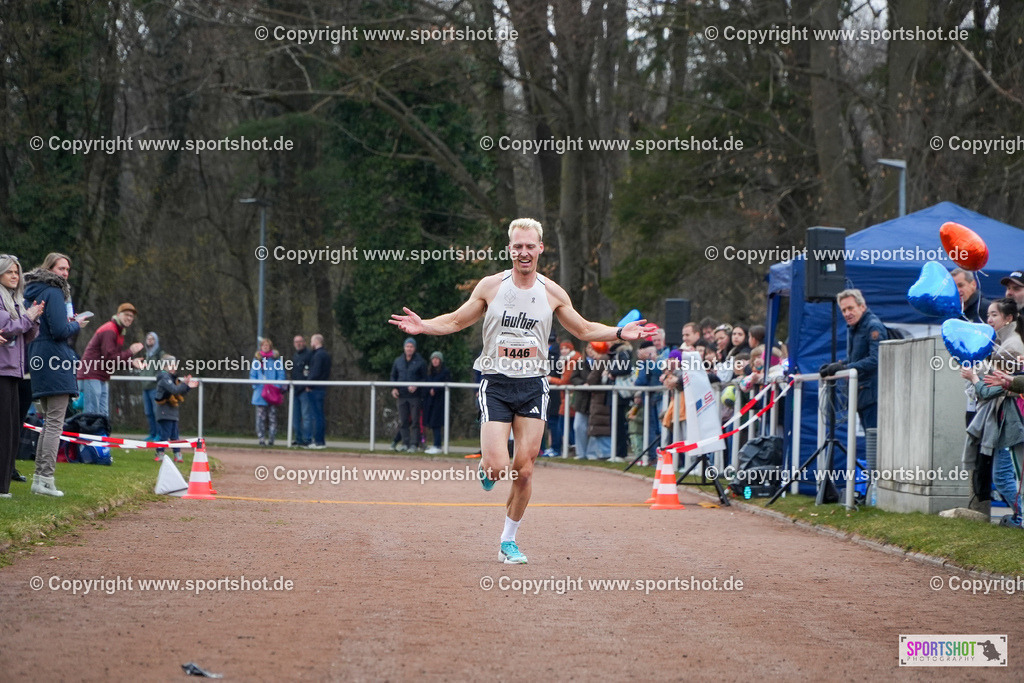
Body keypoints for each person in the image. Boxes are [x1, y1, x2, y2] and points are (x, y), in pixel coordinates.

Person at [389, 218, 655, 564]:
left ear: (540, 248)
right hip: (496, 384)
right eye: (518, 246)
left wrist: (620, 333)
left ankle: (508, 541)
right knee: (499, 467)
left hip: (533, 386)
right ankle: (488, 467)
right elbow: (455, 320)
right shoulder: (491, 287)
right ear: (509, 249)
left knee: (525, 469)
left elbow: (585, 329)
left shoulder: (553, 293)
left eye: (530, 246)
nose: (524, 252)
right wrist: (424, 326)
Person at [23, 252, 90, 497]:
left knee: (47, 423)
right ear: (49, 268)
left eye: (67, 269)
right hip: (54, 358)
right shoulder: (53, 292)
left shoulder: (33, 290)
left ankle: (39, 479)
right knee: (54, 423)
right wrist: (76, 325)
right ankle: (46, 480)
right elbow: (61, 330)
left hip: (38, 356)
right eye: (61, 268)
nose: (65, 273)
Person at [0, 255, 44, 498]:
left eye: (17, 272)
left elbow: (24, 334)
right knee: (4, 429)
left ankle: (4, 482)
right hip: (2, 370)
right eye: (9, 272)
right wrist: (27, 318)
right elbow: (7, 329)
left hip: (15, 370)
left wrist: (33, 319)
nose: (15, 276)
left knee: (12, 430)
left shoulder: (16, 300)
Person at [819, 289, 886, 430]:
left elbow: (876, 359)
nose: (847, 313)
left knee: (874, 440)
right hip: (862, 394)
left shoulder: (872, 326)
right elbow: (856, 357)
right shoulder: (855, 327)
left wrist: (846, 368)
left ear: (862, 306)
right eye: (843, 310)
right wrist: (837, 365)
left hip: (874, 396)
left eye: (850, 308)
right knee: (871, 440)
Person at [76, 303, 144, 417]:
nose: (129, 318)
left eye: (131, 316)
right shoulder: (110, 329)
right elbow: (110, 358)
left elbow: (112, 359)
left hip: (101, 376)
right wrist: (130, 352)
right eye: (126, 314)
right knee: (92, 414)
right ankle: (86, 434)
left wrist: (131, 363)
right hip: (91, 375)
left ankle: (102, 434)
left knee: (103, 414)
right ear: (118, 314)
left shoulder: (119, 331)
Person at [152, 356, 198, 463]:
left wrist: (187, 387)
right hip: (164, 411)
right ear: (165, 366)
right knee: (164, 434)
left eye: (175, 366)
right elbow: (174, 390)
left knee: (175, 434)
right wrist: (184, 384)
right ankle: (160, 453)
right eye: (171, 365)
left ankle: (177, 454)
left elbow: (179, 391)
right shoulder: (164, 378)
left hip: (172, 411)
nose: (174, 368)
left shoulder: (172, 378)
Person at [390, 337, 427, 452]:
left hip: (415, 397)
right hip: (401, 395)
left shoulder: (420, 362)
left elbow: (425, 379)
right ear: (404, 348)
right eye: (407, 346)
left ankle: (414, 444)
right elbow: (393, 376)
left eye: (411, 346)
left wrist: (416, 385)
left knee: (415, 421)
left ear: (414, 348)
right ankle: (405, 443)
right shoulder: (398, 361)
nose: (409, 348)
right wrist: (394, 388)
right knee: (403, 421)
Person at [249, 338, 285, 447]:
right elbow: (252, 376)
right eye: (263, 345)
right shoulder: (256, 360)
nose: (265, 347)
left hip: (272, 393)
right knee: (261, 418)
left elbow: (281, 375)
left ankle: (272, 439)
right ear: (261, 347)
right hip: (260, 393)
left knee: (272, 417)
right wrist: (256, 386)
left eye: (267, 345)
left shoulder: (276, 360)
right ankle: (261, 438)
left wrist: (276, 386)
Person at [305, 333, 332, 449]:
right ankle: (319, 440)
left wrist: (308, 384)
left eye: (312, 341)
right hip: (321, 388)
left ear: (316, 342)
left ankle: (319, 441)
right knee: (318, 415)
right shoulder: (324, 354)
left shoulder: (319, 356)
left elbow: (316, 372)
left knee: (317, 416)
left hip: (316, 389)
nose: (310, 344)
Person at [422, 351, 451, 454]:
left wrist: (435, 389)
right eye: (433, 358)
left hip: (440, 403)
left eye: (437, 359)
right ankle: (433, 444)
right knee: (431, 424)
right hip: (430, 402)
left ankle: (438, 445)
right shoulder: (429, 372)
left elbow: (446, 384)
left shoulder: (445, 372)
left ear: (440, 360)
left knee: (436, 424)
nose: (435, 360)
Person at [139, 332, 164, 441]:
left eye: (152, 339)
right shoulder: (145, 355)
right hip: (145, 387)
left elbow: (164, 366)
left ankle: (160, 434)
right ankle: (152, 433)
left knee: (156, 412)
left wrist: (157, 377)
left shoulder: (160, 354)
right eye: (148, 338)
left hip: (155, 387)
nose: (150, 340)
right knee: (148, 412)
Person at [290, 335, 313, 447]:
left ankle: (307, 439)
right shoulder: (295, 356)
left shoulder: (309, 355)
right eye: (296, 342)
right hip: (295, 389)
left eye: (300, 342)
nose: (298, 344)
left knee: (306, 415)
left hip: (304, 389)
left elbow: (311, 371)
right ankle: (298, 438)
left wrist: (308, 384)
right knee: (295, 416)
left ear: (304, 342)